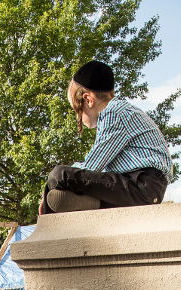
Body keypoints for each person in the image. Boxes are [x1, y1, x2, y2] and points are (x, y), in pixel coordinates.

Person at [39, 60, 172, 215]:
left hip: (141, 186)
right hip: (136, 187)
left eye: (77, 110)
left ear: (88, 100)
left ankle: (44, 225)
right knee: (58, 197)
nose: (78, 117)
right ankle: (92, 205)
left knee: (59, 174)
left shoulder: (114, 112)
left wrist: (49, 186)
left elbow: (91, 166)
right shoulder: (122, 111)